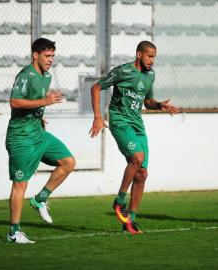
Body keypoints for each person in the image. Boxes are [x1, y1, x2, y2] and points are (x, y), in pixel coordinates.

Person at [89, 41, 179, 234]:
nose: (152, 61)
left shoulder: (150, 75)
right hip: (120, 121)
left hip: (137, 124)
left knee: (142, 174)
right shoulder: (123, 71)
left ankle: (130, 222)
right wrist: (98, 116)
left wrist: (160, 105)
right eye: (149, 56)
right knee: (137, 158)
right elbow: (96, 88)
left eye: (154, 57)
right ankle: (120, 200)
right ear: (139, 55)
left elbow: (147, 102)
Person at [5, 38, 76, 243]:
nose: (50, 59)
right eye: (47, 55)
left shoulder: (46, 77)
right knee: (20, 184)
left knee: (68, 162)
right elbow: (15, 101)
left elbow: (32, 103)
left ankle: (40, 199)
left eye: (53, 56)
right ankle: (13, 232)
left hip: (38, 134)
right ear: (36, 55)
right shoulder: (25, 75)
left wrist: (39, 113)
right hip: (21, 138)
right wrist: (43, 102)